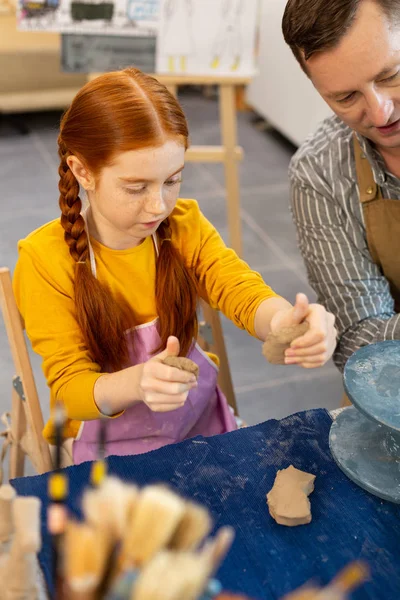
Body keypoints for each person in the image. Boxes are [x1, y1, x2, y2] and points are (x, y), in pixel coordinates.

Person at [13, 68, 336, 465]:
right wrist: (136, 383)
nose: (159, 205)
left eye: (173, 180)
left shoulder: (184, 226)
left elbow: (239, 290)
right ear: (82, 172)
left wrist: (290, 322)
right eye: (136, 187)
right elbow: (68, 390)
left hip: (198, 422)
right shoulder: (45, 260)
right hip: (106, 445)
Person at [282, 0, 400, 373]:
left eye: (391, 75)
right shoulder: (318, 173)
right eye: (347, 98)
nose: (381, 112)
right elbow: (359, 343)